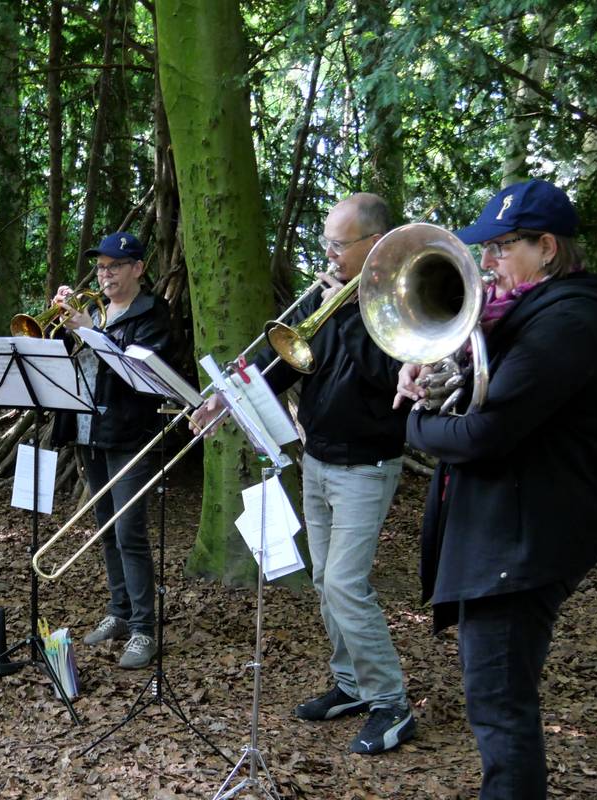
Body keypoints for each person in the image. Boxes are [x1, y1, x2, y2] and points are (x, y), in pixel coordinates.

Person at [397, 179, 597, 798]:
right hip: (502, 528)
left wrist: (417, 419)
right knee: (496, 703)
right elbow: (481, 397)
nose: (487, 262)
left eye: (502, 247)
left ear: (547, 248)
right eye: (487, 248)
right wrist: (428, 374)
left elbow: (483, 433)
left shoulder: (570, 320)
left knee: (500, 709)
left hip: (522, 542)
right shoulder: (524, 313)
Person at [189, 193, 416, 754]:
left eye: (339, 245)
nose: (330, 254)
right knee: (323, 580)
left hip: (367, 465)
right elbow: (279, 363)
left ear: (373, 245)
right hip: (317, 459)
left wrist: (352, 305)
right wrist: (225, 401)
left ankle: (391, 702)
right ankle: (350, 684)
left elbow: (386, 376)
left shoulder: (395, 306)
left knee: (344, 583)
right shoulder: (321, 297)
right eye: (327, 244)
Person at [52, 232, 170, 670]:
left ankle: (144, 629)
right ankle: (119, 612)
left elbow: (138, 371)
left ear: (138, 269)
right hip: (87, 429)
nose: (105, 274)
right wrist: (63, 326)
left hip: (129, 432)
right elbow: (61, 360)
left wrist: (92, 330)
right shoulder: (92, 312)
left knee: (129, 532)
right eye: (101, 267)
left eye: (115, 266)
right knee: (105, 529)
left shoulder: (153, 313)